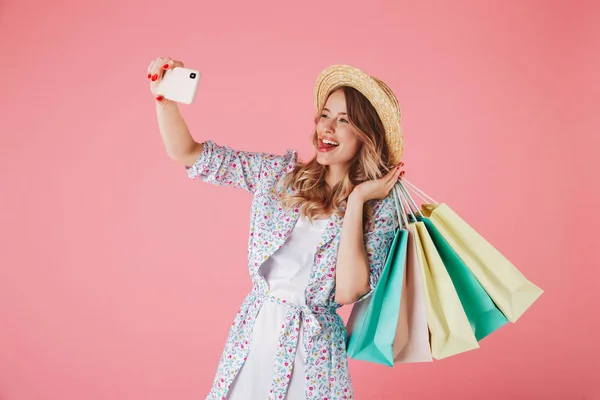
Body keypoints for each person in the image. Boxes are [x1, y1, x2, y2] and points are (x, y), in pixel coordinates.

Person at [147, 58, 406, 400]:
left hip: (314, 354)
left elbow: (347, 293)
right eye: (325, 115)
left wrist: (357, 200)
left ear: (366, 135)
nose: (326, 128)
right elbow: (189, 153)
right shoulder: (278, 177)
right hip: (255, 336)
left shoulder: (379, 208)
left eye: (344, 121)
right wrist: (164, 102)